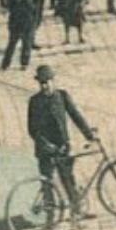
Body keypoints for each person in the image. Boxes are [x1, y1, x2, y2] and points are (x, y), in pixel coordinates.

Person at [27, 65, 96, 214]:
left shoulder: (62, 96)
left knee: (68, 178)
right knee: (47, 182)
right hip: (45, 149)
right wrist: (46, 145)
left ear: (53, 80)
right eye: (41, 83)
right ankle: (50, 215)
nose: (45, 86)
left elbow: (75, 115)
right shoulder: (34, 101)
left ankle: (76, 210)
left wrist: (89, 135)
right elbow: (32, 129)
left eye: (47, 82)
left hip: (63, 146)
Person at [0, 0, 37, 72]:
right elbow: (9, 7)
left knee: (26, 44)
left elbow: (33, 9)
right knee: (11, 45)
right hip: (15, 25)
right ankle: (5, 64)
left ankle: (24, 63)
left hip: (27, 24)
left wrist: (32, 24)